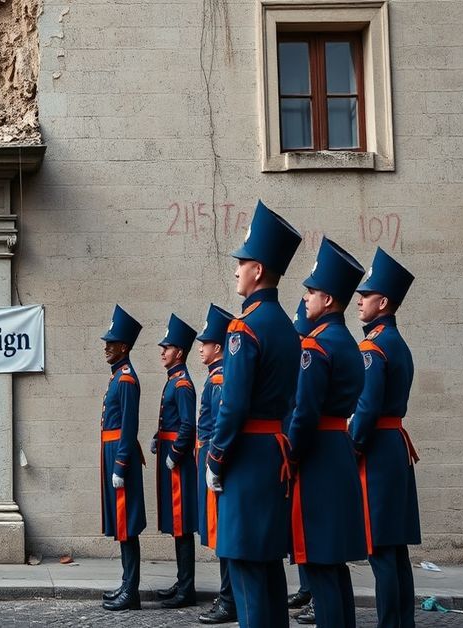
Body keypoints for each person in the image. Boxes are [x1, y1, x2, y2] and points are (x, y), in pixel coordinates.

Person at [204, 200, 302, 628]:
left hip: (244, 457)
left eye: (241, 263)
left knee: (244, 569)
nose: (236, 270)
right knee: (269, 570)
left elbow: (234, 404)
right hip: (274, 455)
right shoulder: (285, 324)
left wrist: (215, 457)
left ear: (258, 270)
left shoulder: (245, 327)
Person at [286, 238, 369, 628]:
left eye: (312, 291)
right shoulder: (349, 342)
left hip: (317, 455)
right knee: (335, 566)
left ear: (330, 299)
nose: (306, 298)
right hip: (338, 447)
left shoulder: (315, 345)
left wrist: (291, 454)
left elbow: (304, 412)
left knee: (320, 563)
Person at [351, 247, 420, 628]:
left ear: (385, 302)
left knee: (379, 548)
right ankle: (402, 622)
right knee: (396, 549)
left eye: (367, 296)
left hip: (376, 449)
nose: (360, 302)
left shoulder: (373, 346)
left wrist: (352, 447)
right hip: (394, 447)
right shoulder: (398, 343)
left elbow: (366, 407)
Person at [99, 305, 146, 612]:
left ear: (124, 347)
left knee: (126, 524)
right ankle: (126, 583)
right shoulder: (118, 376)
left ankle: (131, 591)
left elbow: (129, 426)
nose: (107, 347)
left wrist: (120, 465)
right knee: (121, 525)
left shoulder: (126, 379)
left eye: (112, 343)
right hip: (112, 450)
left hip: (120, 455)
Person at [152, 314, 199, 609]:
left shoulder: (182, 384)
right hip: (171, 457)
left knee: (182, 525)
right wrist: (159, 437)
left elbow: (186, 425)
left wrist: (173, 454)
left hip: (178, 464)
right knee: (175, 524)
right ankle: (183, 581)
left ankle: (187, 589)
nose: (162, 351)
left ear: (179, 352)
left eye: (167, 347)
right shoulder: (173, 380)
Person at [194, 303, 237, 625]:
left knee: (223, 533)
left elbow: (220, 423)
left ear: (218, 348)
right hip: (207, 455)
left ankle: (228, 599)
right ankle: (227, 596)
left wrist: (213, 462)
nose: (200, 349)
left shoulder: (220, 378)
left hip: (213, 457)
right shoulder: (215, 377)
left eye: (204, 344)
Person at [289, 298, 316, 626]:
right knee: (299, 526)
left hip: (306, 452)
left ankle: (314, 593)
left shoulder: (312, 360)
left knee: (311, 528)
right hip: (295, 450)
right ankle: (307, 587)